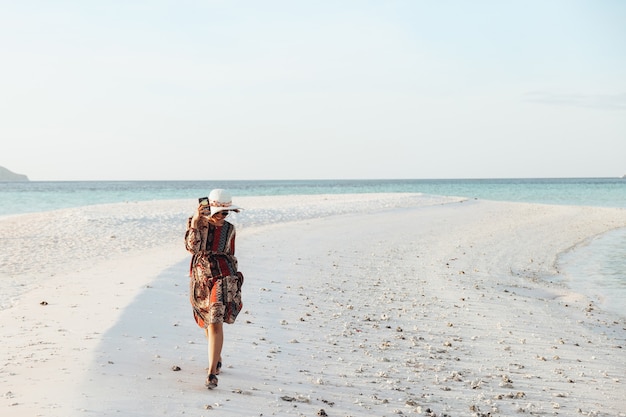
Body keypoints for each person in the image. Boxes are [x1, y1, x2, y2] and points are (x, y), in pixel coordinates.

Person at [185, 188, 244, 389]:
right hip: (201, 278)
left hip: (224, 275)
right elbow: (192, 248)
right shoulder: (196, 225)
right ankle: (216, 356)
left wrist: (235, 280)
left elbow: (231, 253)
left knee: (216, 319)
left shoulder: (230, 229)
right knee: (207, 321)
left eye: (225, 213)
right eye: (218, 212)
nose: (221, 217)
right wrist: (194, 222)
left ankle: (211, 373)